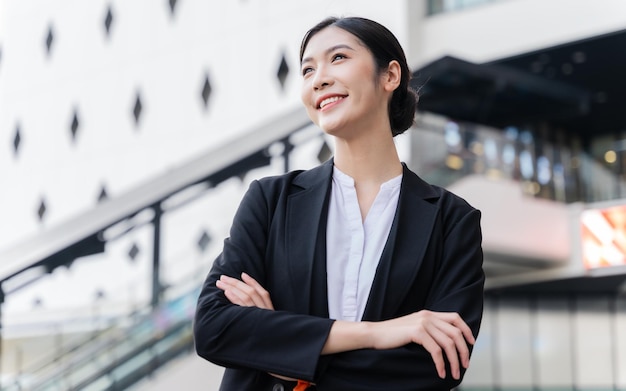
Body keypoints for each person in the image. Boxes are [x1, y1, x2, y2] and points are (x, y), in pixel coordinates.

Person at [194, 16, 484, 391]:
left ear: (390, 76)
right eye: (308, 69)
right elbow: (214, 327)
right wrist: (377, 334)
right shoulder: (270, 201)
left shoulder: (452, 221)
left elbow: (438, 366)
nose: (319, 78)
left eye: (339, 58)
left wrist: (288, 357)